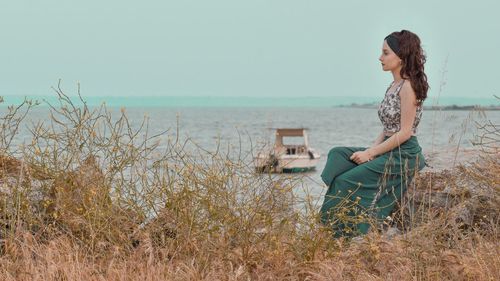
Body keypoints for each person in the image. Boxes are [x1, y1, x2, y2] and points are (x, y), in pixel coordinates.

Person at [320, 30, 428, 238]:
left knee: (346, 180)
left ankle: (341, 232)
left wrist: (371, 154)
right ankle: (333, 209)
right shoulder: (392, 86)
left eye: (385, 53)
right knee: (338, 155)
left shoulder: (408, 87)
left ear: (401, 56)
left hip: (403, 153)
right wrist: (372, 149)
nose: (380, 58)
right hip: (387, 146)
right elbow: (387, 127)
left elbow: (405, 132)